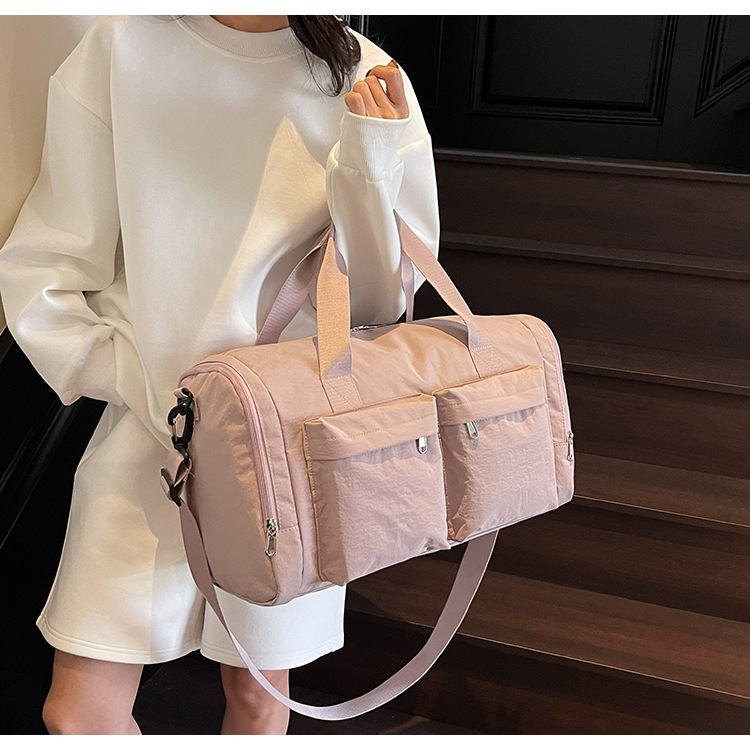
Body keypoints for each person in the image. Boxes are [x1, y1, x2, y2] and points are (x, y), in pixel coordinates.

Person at [0, 14, 439, 735]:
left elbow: (379, 307)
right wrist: (141, 387)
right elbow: (45, 267)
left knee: (259, 698)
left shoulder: (365, 74)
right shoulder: (121, 50)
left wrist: (368, 163)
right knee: (79, 715)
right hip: (153, 434)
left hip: (284, 453)